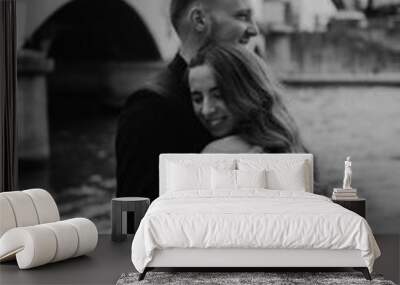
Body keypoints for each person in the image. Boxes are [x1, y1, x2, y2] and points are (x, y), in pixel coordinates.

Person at [116, 0, 259, 201]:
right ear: (199, 20)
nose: (254, 30)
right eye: (242, 16)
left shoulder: (248, 92)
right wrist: (205, 168)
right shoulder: (149, 107)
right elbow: (129, 221)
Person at [188, 43, 307, 154]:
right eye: (198, 99)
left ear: (247, 92)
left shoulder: (216, 152)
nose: (206, 110)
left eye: (219, 95)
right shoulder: (291, 143)